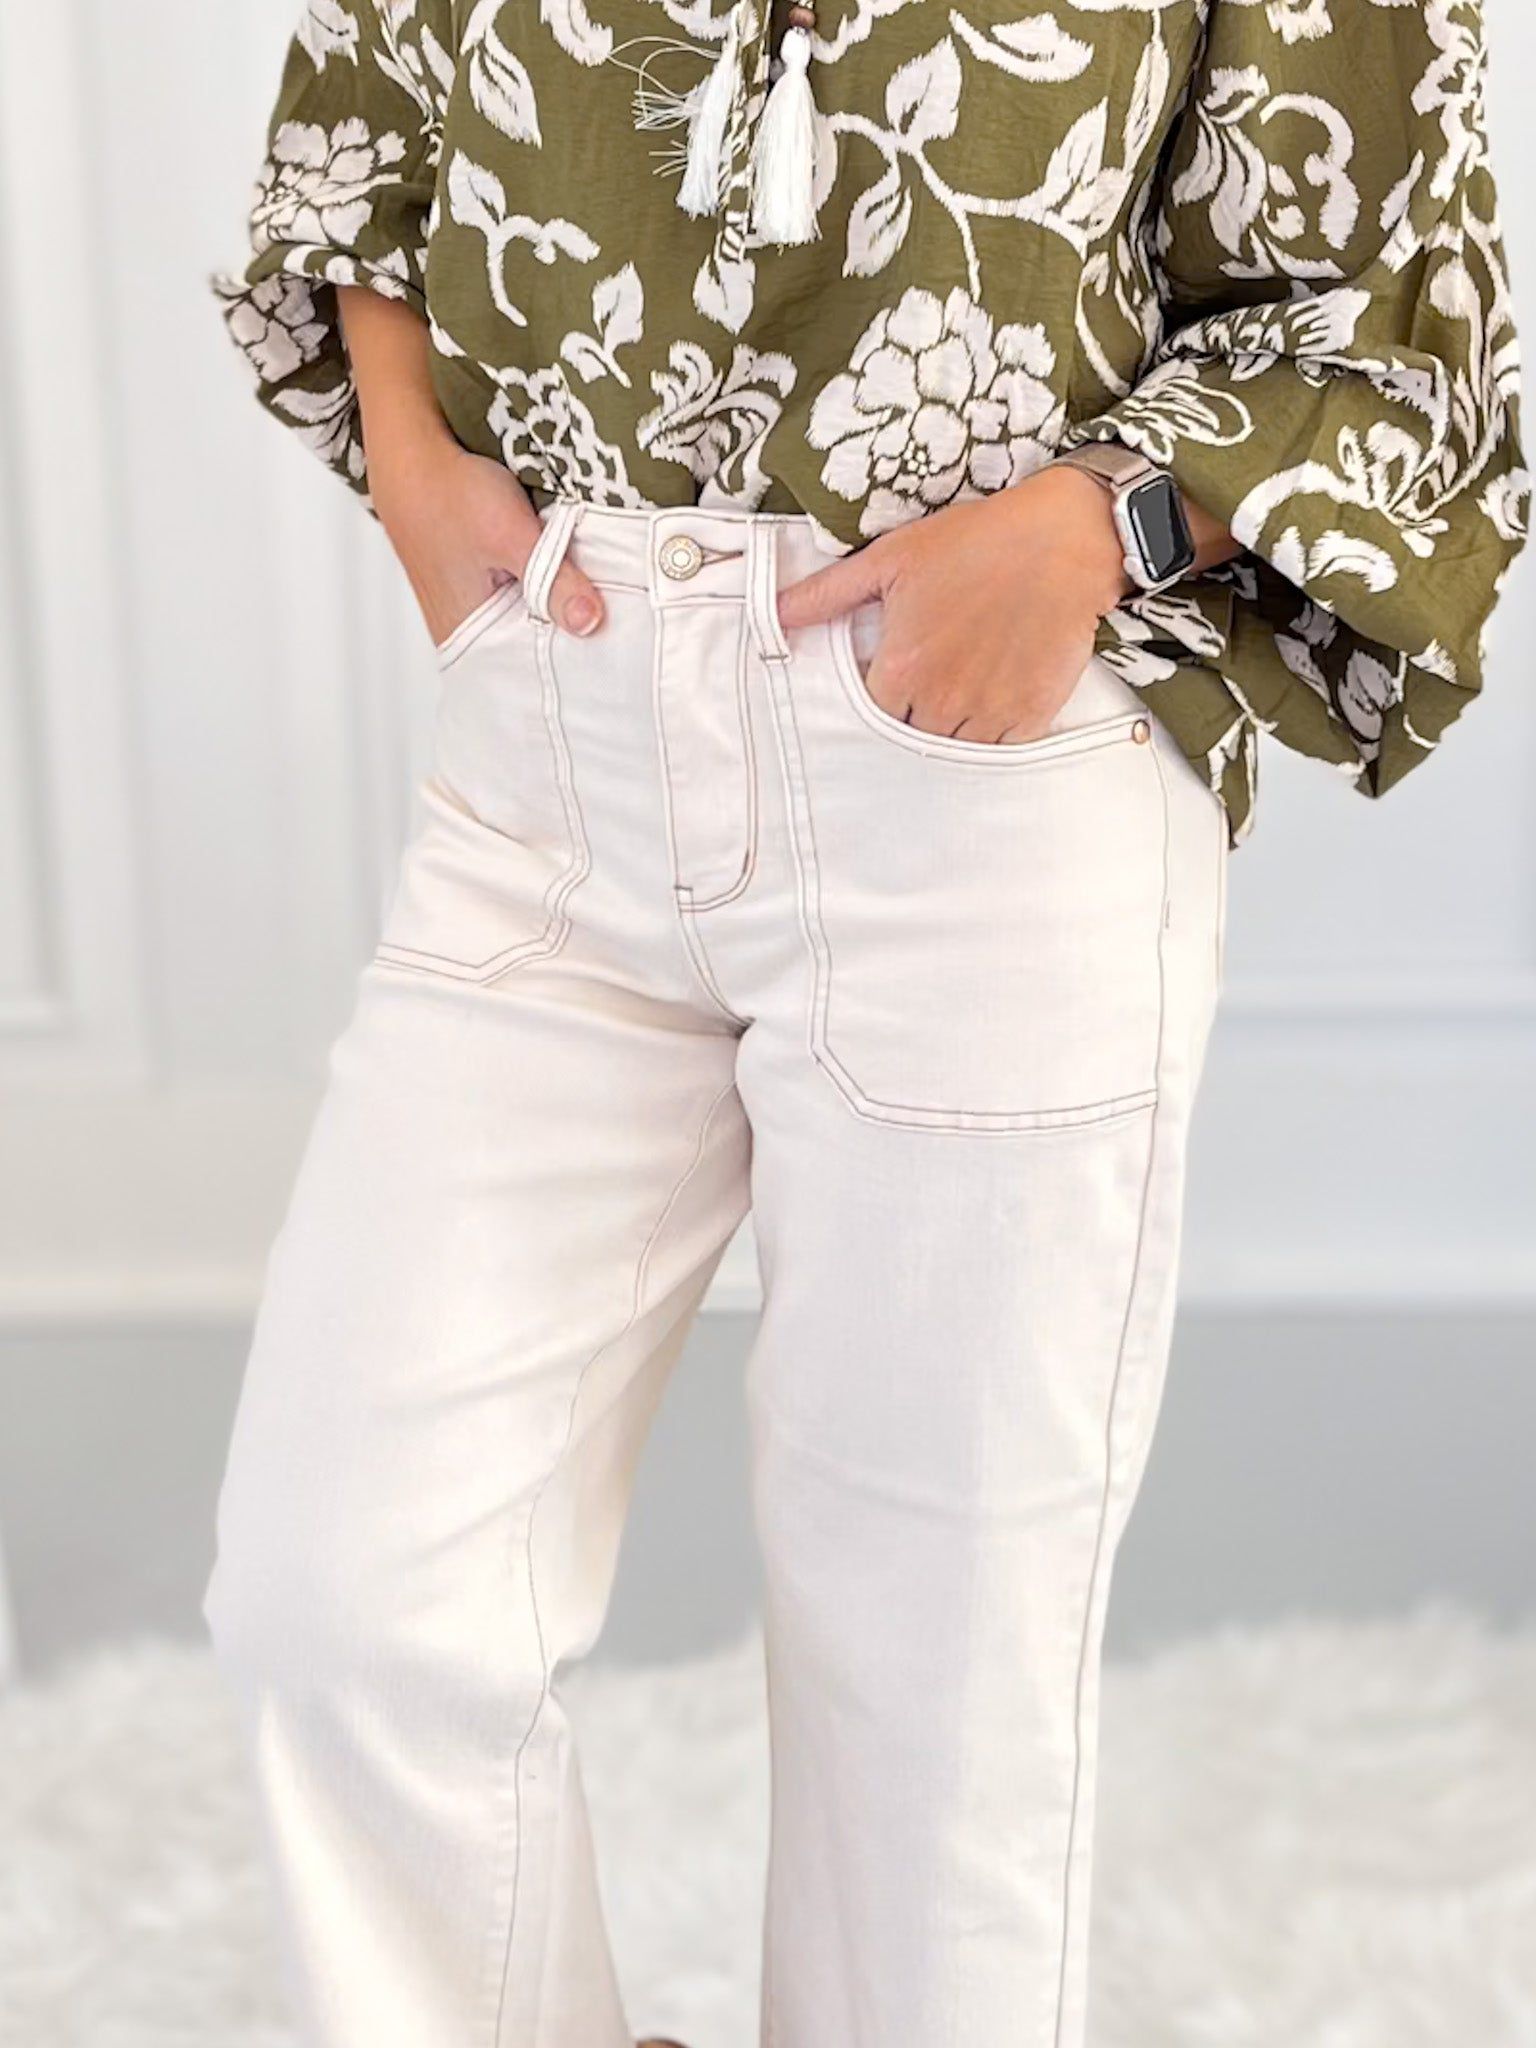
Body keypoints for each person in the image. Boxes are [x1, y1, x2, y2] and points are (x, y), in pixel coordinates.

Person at [204, 4, 1526, 2045]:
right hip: (556, 742)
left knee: (936, 1734)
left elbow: (1392, 303)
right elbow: (370, 97)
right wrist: (405, 449)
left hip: (980, 767)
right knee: (342, 1599)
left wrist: (1096, 527)